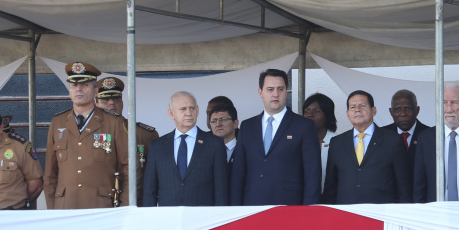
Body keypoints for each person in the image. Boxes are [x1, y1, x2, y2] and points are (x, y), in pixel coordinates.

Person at [43, 61, 129, 209]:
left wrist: (124, 207)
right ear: (69, 90)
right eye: (74, 85)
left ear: (96, 91)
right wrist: (52, 210)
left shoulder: (113, 122)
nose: (79, 89)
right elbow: (50, 174)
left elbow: (128, 170)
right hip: (64, 207)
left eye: (85, 85)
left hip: (101, 207)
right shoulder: (58, 122)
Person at [230, 68, 321, 205]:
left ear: (286, 92)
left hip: (290, 206)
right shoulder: (247, 127)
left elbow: (312, 174)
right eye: (270, 89)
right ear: (260, 92)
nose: (275, 94)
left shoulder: (303, 126)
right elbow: (238, 173)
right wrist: (235, 210)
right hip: (252, 206)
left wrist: (308, 211)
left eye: (280, 89)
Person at [321, 90, 411, 204]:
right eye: (352, 107)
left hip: (381, 214)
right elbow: (330, 186)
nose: (357, 109)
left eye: (362, 105)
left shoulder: (393, 140)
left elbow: (403, 185)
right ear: (347, 114)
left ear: (374, 111)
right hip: (346, 214)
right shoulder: (336, 143)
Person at [143, 91, 228, 206]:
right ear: (171, 114)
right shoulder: (157, 146)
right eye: (183, 109)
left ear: (197, 111)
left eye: (192, 108)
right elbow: (149, 191)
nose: (188, 113)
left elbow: (221, 189)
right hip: (168, 218)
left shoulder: (214, 144)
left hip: (204, 218)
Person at [95, 76, 159, 206]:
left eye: (116, 99)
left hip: (135, 204)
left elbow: (153, 176)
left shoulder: (145, 134)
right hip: (98, 205)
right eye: (106, 99)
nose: (112, 103)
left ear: (123, 103)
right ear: (96, 104)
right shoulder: (88, 135)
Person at [385, 89, 431, 170]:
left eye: (408, 109)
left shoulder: (430, 135)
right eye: (398, 109)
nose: (403, 114)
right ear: (391, 112)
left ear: (417, 111)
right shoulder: (382, 135)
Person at [303, 92, 338, 191]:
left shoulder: (337, 143)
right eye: (306, 111)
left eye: (316, 111)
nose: (310, 115)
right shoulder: (297, 142)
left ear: (327, 115)